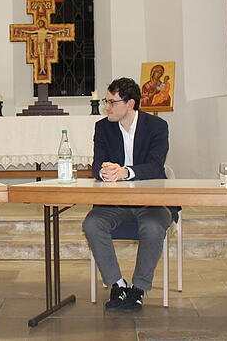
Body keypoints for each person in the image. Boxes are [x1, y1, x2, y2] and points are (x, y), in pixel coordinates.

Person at [82, 77, 171, 311]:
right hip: (115, 202)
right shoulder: (103, 126)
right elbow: (96, 166)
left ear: (130, 103)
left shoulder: (157, 127)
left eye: (112, 102)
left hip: (152, 202)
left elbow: (155, 166)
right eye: (106, 101)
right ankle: (117, 284)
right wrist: (106, 171)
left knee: (153, 228)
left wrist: (125, 172)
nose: (107, 107)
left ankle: (138, 288)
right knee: (92, 223)